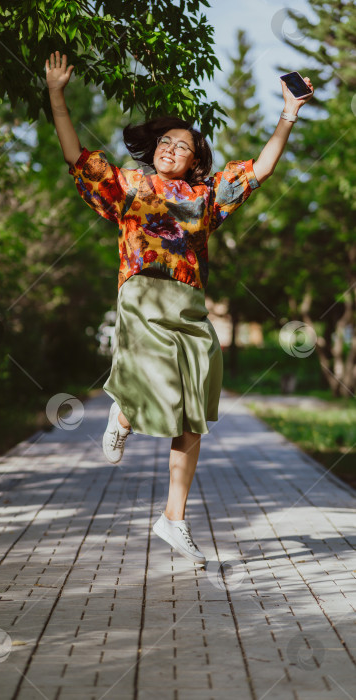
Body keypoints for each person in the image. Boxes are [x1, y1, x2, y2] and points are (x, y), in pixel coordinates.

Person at [45, 50, 313, 565]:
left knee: (192, 413)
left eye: (183, 146)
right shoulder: (128, 186)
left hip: (190, 305)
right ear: (154, 151)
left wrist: (288, 111)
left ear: (195, 160)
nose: (171, 148)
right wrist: (57, 93)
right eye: (165, 142)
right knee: (157, 384)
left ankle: (173, 519)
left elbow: (261, 169)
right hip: (142, 293)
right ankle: (122, 412)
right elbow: (76, 154)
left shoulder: (206, 196)